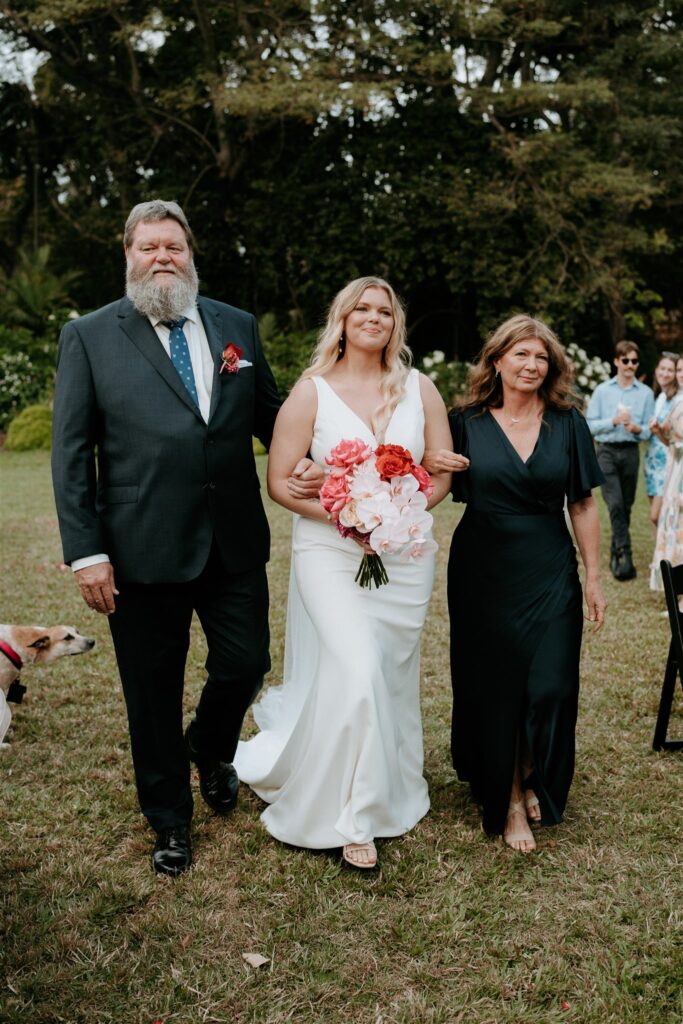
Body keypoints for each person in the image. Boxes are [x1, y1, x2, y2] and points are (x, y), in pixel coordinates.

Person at [51, 199, 322, 876]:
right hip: (137, 548)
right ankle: (169, 819)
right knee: (150, 692)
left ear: (190, 254)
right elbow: (70, 451)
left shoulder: (236, 326)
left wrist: (326, 459)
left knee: (246, 662)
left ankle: (210, 742)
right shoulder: (89, 335)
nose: (162, 256)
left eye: (173, 245)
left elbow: (272, 418)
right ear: (128, 256)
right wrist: (88, 551)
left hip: (231, 540)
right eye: (148, 247)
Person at [234, 276, 454, 870]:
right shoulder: (311, 393)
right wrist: (350, 521)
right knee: (356, 669)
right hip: (329, 553)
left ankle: (392, 786)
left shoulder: (419, 388)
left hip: (403, 557)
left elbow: (440, 476)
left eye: (385, 311)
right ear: (343, 318)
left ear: (395, 324)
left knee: (384, 675)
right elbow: (280, 483)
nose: (374, 318)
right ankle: (351, 816)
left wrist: (396, 519)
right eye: (363, 309)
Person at [423, 314, 607, 853]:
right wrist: (429, 460)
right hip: (483, 568)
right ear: (497, 360)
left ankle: (530, 770)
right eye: (520, 354)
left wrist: (593, 577)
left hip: (550, 565)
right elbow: (433, 481)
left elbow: (583, 502)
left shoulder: (568, 423)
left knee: (549, 683)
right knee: (495, 688)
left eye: (541, 357)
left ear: (551, 367)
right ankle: (505, 798)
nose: (531, 365)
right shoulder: (465, 422)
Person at [586, 341, 655, 581]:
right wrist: (613, 421)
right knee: (614, 504)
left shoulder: (645, 393)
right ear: (616, 361)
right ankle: (626, 555)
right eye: (625, 360)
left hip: (630, 452)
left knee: (626, 506)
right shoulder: (602, 391)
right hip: (605, 451)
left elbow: (649, 429)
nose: (630, 365)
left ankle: (616, 546)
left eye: (634, 361)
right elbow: (589, 425)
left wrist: (638, 428)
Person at [651, 356, 683, 591]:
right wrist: (660, 433)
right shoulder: (677, 402)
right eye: (680, 370)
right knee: (673, 527)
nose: (681, 374)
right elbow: (673, 443)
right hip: (675, 472)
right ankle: (679, 594)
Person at [645, 352, 680, 533]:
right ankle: (661, 558)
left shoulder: (678, 400)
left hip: (668, 463)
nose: (665, 373)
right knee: (657, 520)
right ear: (656, 370)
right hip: (652, 463)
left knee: (657, 515)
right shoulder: (659, 397)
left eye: (671, 370)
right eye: (662, 368)